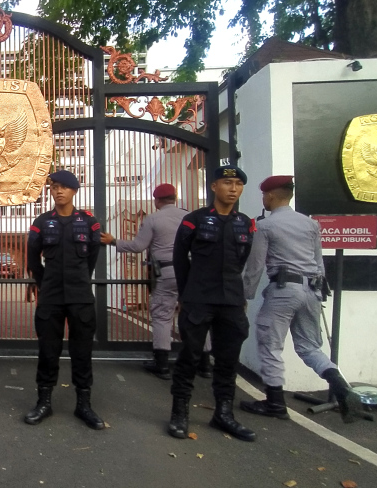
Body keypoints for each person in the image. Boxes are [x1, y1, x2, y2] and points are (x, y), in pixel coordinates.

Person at [240, 175, 362, 423]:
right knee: (309, 347)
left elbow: (255, 267)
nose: (264, 199)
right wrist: (319, 292)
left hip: (283, 291)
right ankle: (339, 384)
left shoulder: (266, 226)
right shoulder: (310, 224)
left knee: (270, 345)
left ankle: (275, 403)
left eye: (264, 195)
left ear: (271, 196)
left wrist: (245, 296)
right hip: (311, 290)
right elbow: (319, 261)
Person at [168, 165, 257, 442]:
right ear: (213, 187)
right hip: (198, 298)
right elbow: (180, 260)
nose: (233, 189)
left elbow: (241, 262)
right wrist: (185, 296)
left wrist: (238, 295)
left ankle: (224, 414)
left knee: (228, 360)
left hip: (230, 300)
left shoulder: (245, 223)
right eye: (227, 183)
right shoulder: (193, 220)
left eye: (238, 184)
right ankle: (179, 413)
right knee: (190, 357)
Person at [101, 184, 213, 380]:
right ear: (175, 198)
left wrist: (113, 241)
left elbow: (138, 246)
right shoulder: (191, 217)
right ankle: (204, 364)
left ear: (157, 201)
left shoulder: (153, 218)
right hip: (193, 271)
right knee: (198, 317)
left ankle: (161, 364)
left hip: (168, 271)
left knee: (162, 316)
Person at [25, 170, 105, 430]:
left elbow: (92, 258)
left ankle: (84, 405)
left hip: (80, 297)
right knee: (48, 351)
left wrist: (79, 279)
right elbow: (33, 260)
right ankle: (44, 402)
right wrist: (45, 283)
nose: (58, 191)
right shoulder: (41, 222)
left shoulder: (89, 222)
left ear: (74, 191)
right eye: (54, 187)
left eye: (64, 187)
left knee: (82, 352)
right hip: (51, 298)